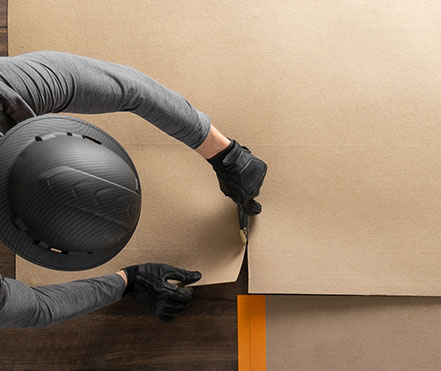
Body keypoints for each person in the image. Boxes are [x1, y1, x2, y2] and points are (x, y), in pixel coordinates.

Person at [0, 51, 267, 328]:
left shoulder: (5, 88)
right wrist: (128, 281)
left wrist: (225, 154)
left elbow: (129, 89)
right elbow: (31, 309)